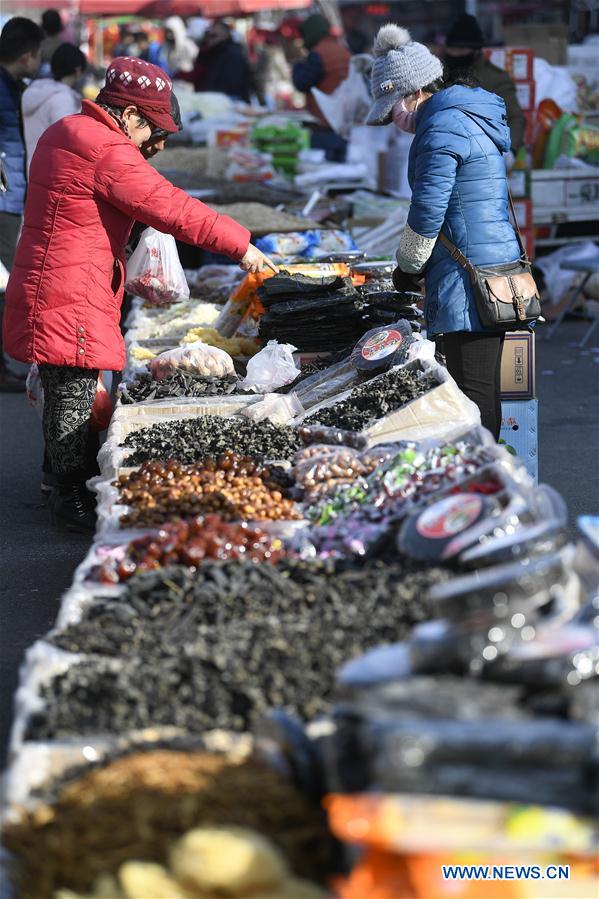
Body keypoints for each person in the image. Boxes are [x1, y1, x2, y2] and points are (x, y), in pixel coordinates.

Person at [3, 56, 275, 532]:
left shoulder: (67, 131)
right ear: (128, 115)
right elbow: (171, 206)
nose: (157, 144)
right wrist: (243, 247)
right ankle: (70, 499)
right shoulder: (103, 147)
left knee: (70, 385)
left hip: (60, 278)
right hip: (70, 287)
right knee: (73, 393)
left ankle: (57, 481)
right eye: (153, 129)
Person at [367, 24, 521, 440]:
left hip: (468, 277)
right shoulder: (466, 114)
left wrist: (407, 267)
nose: (394, 120)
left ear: (413, 92)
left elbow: (429, 208)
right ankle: (486, 479)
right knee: (481, 391)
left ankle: (483, 485)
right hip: (490, 269)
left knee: (471, 397)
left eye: (392, 106)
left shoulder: (441, 126)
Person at [0, 17, 43, 393]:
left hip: (11, 194)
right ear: (28, 55)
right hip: (4, 196)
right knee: (2, 283)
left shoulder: (13, 87)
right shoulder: (4, 89)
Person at [445, 13, 526, 152]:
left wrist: (510, 149)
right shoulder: (440, 74)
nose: (455, 54)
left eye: (461, 49)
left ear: (476, 50)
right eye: (452, 49)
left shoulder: (495, 79)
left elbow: (514, 118)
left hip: (484, 153)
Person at [291, 14, 350, 162]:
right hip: (343, 122)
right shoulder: (342, 50)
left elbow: (302, 83)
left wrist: (297, 63)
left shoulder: (318, 54)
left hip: (323, 124)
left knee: (324, 167)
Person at [23, 43, 86, 172]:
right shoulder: (64, 99)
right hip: (49, 172)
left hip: (28, 168)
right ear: (78, 70)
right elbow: (67, 143)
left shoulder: (35, 91)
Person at [184, 20, 252, 102]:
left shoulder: (232, 54)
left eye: (214, 36)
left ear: (225, 36)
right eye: (208, 36)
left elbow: (233, 85)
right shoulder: (211, 52)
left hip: (228, 103)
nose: (209, 40)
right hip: (212, 100)